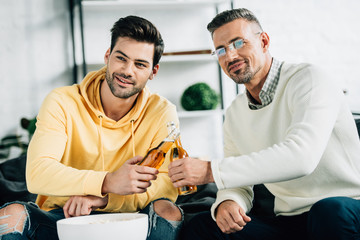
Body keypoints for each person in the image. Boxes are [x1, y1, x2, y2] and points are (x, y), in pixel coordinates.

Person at [168, 8, 360, 240]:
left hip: (347, 207)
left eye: (238, 43)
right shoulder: (235, 112)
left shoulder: (310, 79)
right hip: (289, 221)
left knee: (329, 212)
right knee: (203, 226)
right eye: (220, 50)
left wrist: (210, 170)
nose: (229, 56)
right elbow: (238, 182)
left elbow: (301, 157)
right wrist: (228, 202)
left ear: (264, 41)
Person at [0, 15, 183, 240]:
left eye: (140, 64)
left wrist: (105, 197)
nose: (127, 70)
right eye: (121, 58)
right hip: (66, 217)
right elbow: (38, 173)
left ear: (153, 71)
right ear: (108, 56)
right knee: (10, 216)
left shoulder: (162, 111)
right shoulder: (62, 101)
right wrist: (107, 181)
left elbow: (168, 183)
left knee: (168, 210)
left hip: (132, 218)